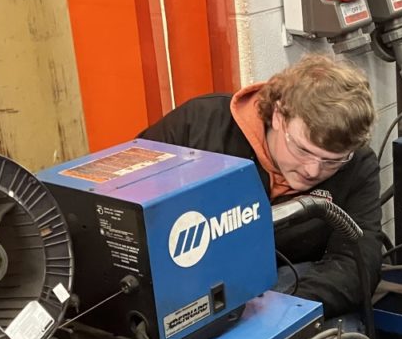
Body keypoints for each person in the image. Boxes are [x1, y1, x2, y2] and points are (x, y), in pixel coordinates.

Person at [140, 54, 381, 318]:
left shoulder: (358, 164)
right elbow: (121, 200)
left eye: (331, 161)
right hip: (182, 288)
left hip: (288, 288)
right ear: (279, 115)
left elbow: (358, 265)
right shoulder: (197, 128)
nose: (313, 170)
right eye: (302, 150)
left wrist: (283, 313)